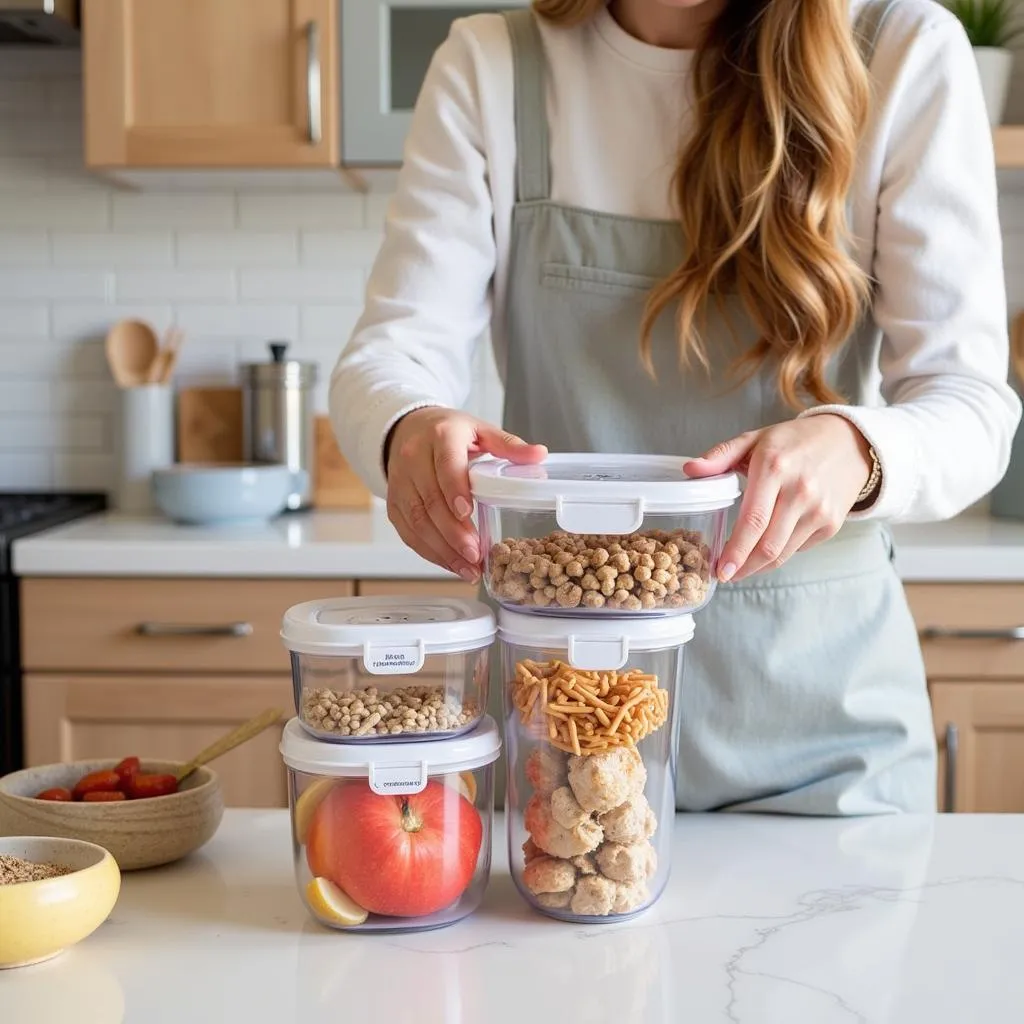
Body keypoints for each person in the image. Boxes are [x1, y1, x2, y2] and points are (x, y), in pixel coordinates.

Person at [330, 0, 1021, 814]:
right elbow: (392, 353)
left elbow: (974, 403)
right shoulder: (493, 65)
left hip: (826, 744)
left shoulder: (903, 51)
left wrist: (854, 449)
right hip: (560, 737)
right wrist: (405, 425)